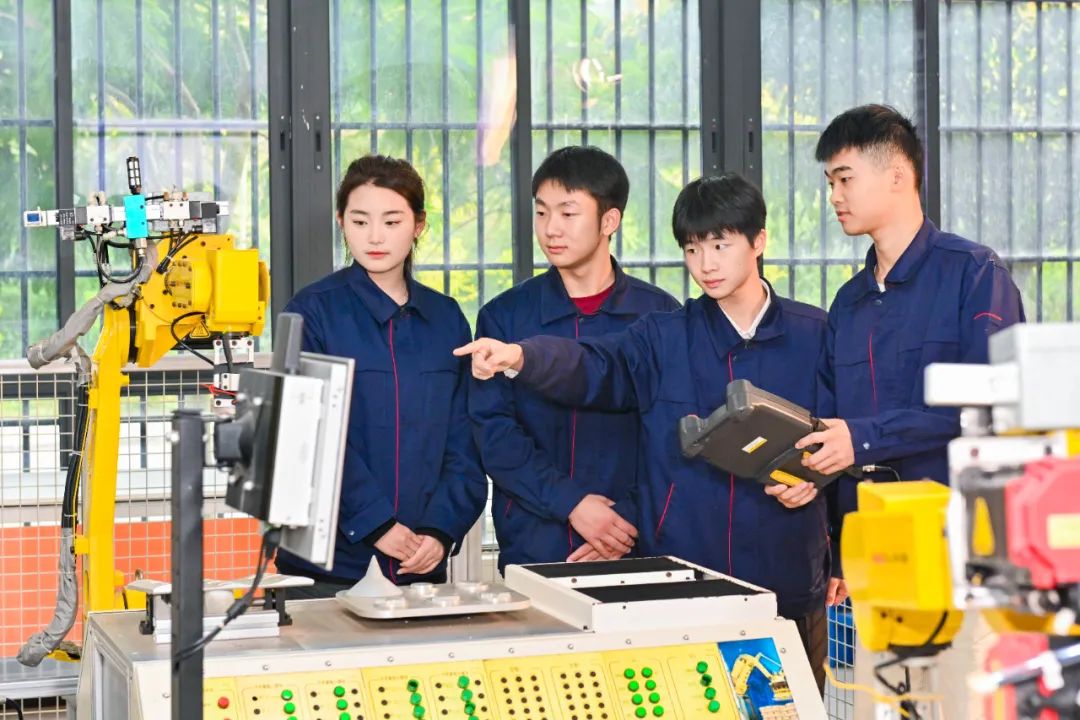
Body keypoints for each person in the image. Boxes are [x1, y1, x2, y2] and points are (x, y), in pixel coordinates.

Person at [456, 173, 842, 692]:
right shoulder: (663, 335)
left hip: (786, 578)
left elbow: (842, 441)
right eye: (692, 249)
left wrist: (818, 493)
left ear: (759, 241)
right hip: (681, 580)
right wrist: (521, 357)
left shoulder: (816, 333)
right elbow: (592, 364)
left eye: (720, 245)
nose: (705, 264)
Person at [274, 155, 487, 597]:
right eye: (359, 221)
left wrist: (441, 530)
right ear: (341, 221)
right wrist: (375, 524)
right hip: (327, 569)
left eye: (392, 221)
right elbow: (306, 437)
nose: (374, 236)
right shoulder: (311, 313)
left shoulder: (446, 318)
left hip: (420, 565)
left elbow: (464, 441)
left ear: (418, 225)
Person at [469, 146, 680, 572]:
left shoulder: (659, 316)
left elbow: (673, 437)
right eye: (541, 212)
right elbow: (494, 433)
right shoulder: (504, 316)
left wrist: (625, 520)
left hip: (633, 542)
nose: (551, 229)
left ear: (609, 221)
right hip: (536, 542)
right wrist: (572, 504)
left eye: (568, 213)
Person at [796, 105, 1025, 488]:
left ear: (897, 175)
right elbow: (829, 421)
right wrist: (804, 474)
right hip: (862, 517)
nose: (834, 197)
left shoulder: (974, 274)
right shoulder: (848, 303)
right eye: (830, 183)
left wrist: (864, 439)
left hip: (950, 514)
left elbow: (990, 406)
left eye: (845, 179)